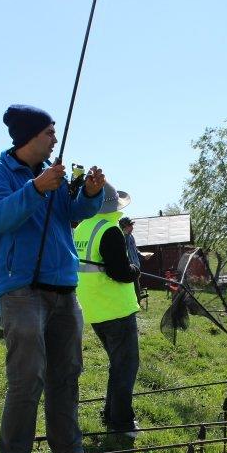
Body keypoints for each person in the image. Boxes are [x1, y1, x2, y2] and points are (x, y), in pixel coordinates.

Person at [0, 104, 105, 453]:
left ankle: (69, 452)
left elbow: (71, 214)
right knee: (27, 375)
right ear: (30, 136)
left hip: (64, 287)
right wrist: (35, 189)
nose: (54, 139)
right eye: (49, 132)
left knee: (67, 373)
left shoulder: (54, 176)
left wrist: (91, 195)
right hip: (22, 290)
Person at [75, 187, 142, 437]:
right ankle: (122, 423)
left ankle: (110, 413)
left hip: (93, 309)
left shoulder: (82, 227)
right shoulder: (110, 230)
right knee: (126, 366)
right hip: (115, 308)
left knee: (118, 363)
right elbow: (120, 272)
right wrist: (135, 269)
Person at [119, 216, 151, 303]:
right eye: (130, 225)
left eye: (132, 225)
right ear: (124, 227)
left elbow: (135, 250)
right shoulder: (120, 237)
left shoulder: (131, 236)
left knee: (137, 294)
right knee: (131, 295)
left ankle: (136, 309)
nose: (132, 227)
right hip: (128, 270)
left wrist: (143, 256)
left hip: (135, 269)